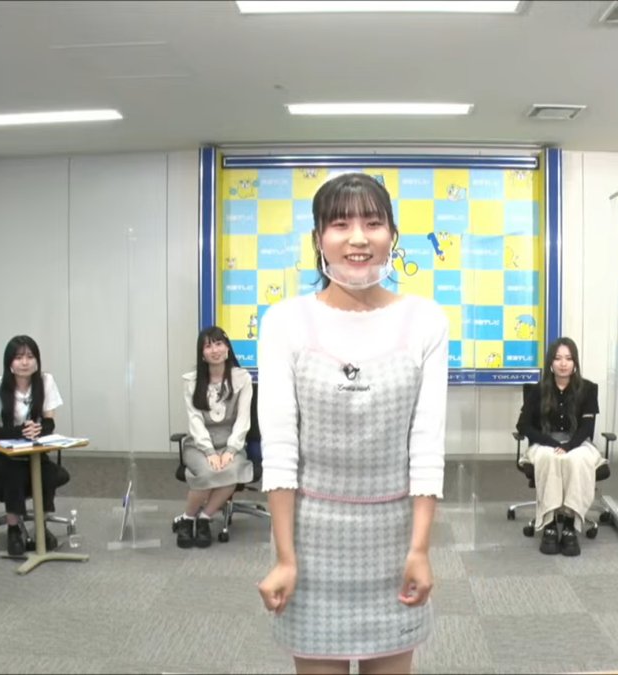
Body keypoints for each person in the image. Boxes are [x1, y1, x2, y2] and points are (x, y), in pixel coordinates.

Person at [256, 172, 448, 674]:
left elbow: (426, 446)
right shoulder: (284, 322)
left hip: (395, 542)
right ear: (318, 238)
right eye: (340, 224)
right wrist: (285, 558)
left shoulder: (426, 320)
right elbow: (280, 450)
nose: (358, 238)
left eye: (373, 223)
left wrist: (421, 549)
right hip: (310, 543)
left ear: (392, 235)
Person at [0, 335, 69, 556]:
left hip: (33, 453)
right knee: (15, 474)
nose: (25, 362)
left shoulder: (45, 381)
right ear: (9, 362)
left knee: (48, 475)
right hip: (3, 455)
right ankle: (13, 529)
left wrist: (38, 429)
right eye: (19, 357)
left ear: (37, 360)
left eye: (30, 356)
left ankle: (41, 526)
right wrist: (19, 431)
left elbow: (49, 421)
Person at [516, 337, 603, 557]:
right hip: (546, 441)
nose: (563, 363)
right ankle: (550, 523)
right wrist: (553, 443)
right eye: (558, 358)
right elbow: (523, 425)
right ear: (550, 363)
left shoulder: (588, 389)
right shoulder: (538, 390)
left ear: (575, 363)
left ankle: (571, 524)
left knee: (577, 460)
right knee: (550, 458)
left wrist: (569, 446)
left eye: (568, 358)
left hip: (577, 442)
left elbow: (587, 427)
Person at [176, 325, 254, 549]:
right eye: (208, 346)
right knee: (209, 471)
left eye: (219, 344)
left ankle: (204, 518)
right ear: (202, 354)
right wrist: (209, 451)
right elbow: (195, 420)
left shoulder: (242, 379)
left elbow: (243, 419)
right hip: (199, 445)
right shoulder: (192, 381)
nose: (215, 350)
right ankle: (187, 519)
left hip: (231, 443)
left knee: (231, 470)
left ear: (227, 348)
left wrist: (231, 450)